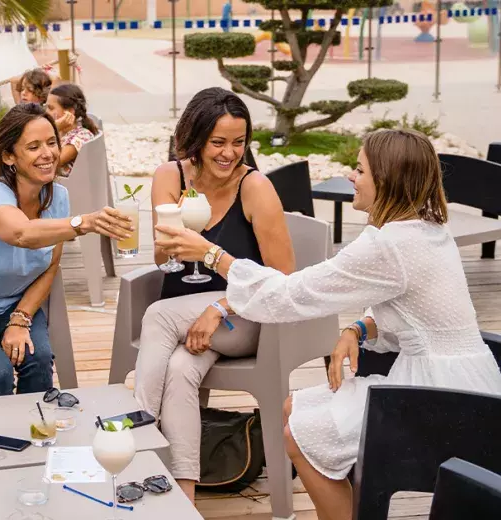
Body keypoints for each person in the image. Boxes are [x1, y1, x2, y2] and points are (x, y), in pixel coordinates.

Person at [155, 128, 501, 520]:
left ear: (385, 181)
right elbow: (422, 314)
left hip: (439, 401)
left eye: (360, 170)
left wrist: (213, 255)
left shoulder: (388, 245)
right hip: (472, 386)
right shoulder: (427, 228)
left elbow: (290, 295)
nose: (351, 177)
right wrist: (357, 329)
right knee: (294, 410)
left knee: (301, 431)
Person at [132, 87, 295, 502]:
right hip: (189, 319)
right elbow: (160, 255)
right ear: (196, 139)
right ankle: (184, 495)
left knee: (156, 316)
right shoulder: (171, 176)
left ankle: (136, 440)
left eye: (238, 143)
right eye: (218, 142)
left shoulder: (254, 187)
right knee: (181, 370)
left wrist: (219, 306)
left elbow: (283, 275)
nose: (229, 153)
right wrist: (174, 233)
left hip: (245, 318)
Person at [0, 103, 133, 397]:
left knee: (38, 361)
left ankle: (36, 434)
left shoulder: (58, 197)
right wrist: (85, 222)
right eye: (33, 147)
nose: (48, 154)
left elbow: (50, 266)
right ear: (8, 156)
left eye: (52, 142)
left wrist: (21, 318)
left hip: (11, 304)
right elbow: (21, 233)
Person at [44, 83, 99, 177]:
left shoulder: (80, 137)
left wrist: (54, 128)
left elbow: (49, 164)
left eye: (51, 108)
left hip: (64, 188)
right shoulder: (61, 132)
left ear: (69, 112)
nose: (46, 112)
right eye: (46, 107)